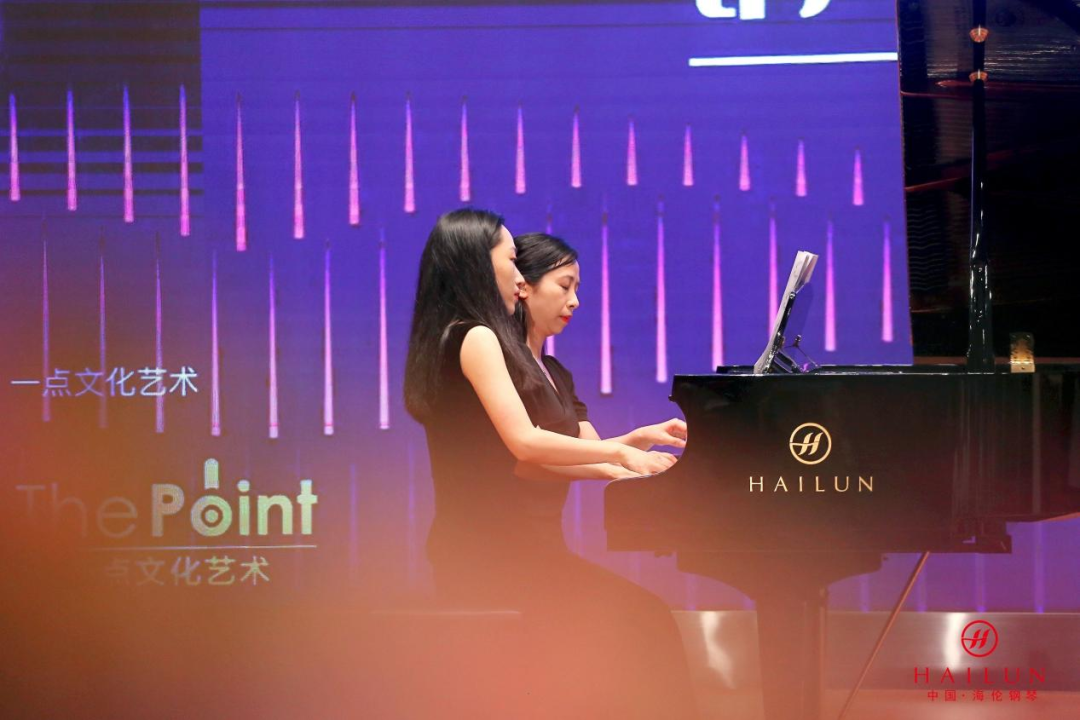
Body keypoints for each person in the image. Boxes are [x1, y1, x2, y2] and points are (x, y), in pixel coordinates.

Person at [404, 209, 700, 719]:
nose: (519, 280)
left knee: (641, 622)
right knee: (639, 621)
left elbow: (557, 451)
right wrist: (621, 454)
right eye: (511, 262)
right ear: (478, 263)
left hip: (518, 552)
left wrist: (632, 448)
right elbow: (525, 447)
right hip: (491, 556)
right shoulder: (475, 337)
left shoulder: (473, 340)